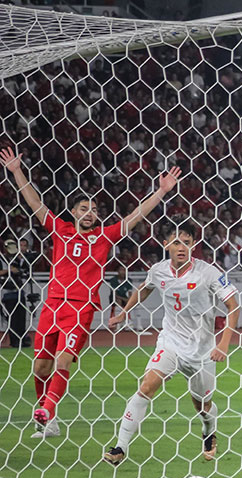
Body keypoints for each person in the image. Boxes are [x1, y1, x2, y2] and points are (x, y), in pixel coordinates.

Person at [1, 147, 180, 437]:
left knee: (63, 360)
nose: (90, 213)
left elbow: (135, 216)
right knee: (41, 367)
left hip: (80, 307)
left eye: (94, 210)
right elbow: (34, 203)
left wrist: (160, 191)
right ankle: (48, 419)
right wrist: (17, 171)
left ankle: (46, 410)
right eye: (84, 209)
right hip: (53, 305)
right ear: (73, 212)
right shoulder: (60, 230)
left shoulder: (103, 236)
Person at [103, 224, 239, 465]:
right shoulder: (158, 271)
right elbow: (144, 289)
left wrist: (223, 344)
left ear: (194, 245)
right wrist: (124, 312)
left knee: (202, 405)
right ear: (166, 245)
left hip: (202, 350)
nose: (181, 247)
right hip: (171, 343)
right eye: (176, 242)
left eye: (187, 242)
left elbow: (233, 306)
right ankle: (120, 447)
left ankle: (209, 432)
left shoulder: (207, 273)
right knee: (147, 386)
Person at [1, 238, 32, 348]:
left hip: (19, 291)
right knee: (12, 318)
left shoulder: (18, 259)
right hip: (7, 292)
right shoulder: (2, 259)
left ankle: (22, 340)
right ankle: (14, 341)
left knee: (21, 318)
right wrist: (9, 270)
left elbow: (24, 270)